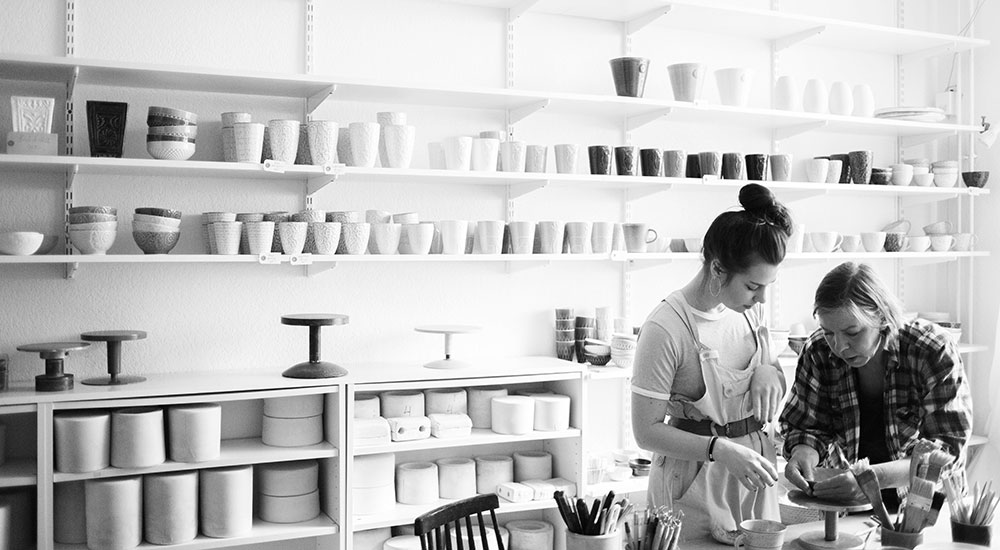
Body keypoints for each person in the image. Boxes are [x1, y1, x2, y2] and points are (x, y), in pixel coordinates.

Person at [631, 183, 793, 544]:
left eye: (768, 286)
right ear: (718, 269)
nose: (762, 298)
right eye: (753, 286)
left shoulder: (748, 312)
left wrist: (769, 372)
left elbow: (769, 379)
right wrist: (719, 449)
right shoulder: (666, 329)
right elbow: (646, 432)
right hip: (693, 481)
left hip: (754, 474)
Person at [780, 262, 973, 509]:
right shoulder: (818, 350)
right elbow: (807, 426)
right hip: (850, 502)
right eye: (829, 332)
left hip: (925, 505)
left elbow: (946, 453)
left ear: (882, 317)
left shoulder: (931, 350)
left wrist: (871, 479)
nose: (839, 346)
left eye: (852, 332)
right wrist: (803, 453)